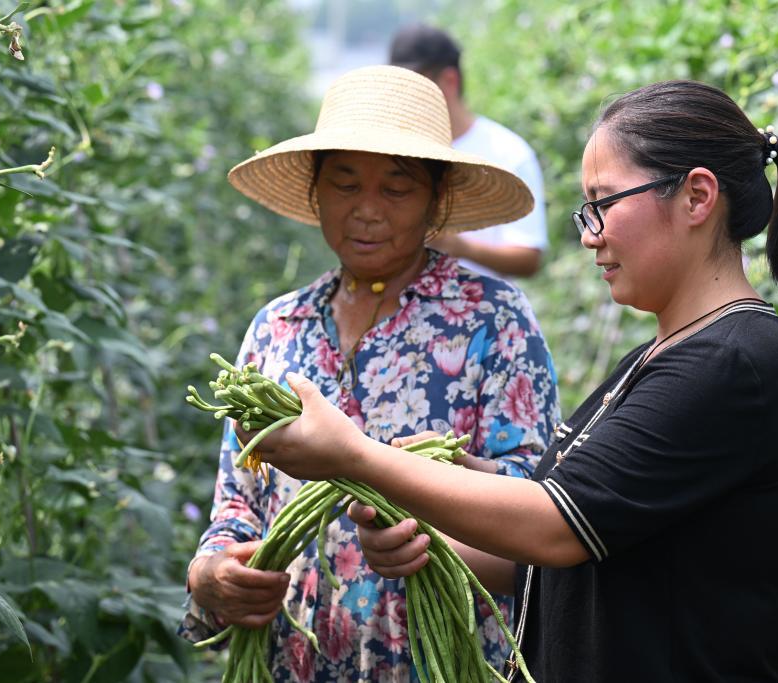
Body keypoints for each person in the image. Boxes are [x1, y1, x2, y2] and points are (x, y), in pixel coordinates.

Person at [244, 80, 778, 682]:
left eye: (603, 203)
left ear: (697, 197)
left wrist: (355, 456)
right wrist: (426, 531)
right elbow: (563, 556)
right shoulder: (655, 361)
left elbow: (552, 526)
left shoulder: (734, 367)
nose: (589, 234)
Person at [180, 65, 560, 682]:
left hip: (437, 659)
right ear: (315, 192)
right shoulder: (278, 327)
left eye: (397, 188)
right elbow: (238, 497)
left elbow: (537, 507)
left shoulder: (494, 319)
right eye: (345, 183)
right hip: (294, 657)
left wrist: (430, 537)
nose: (366, 211)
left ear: (437, 200)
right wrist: (214, 570)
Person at [389, 23, 548, 279]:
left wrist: (458, 246)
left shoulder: (507, 152)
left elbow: (528, 258)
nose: (405, 95)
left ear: (450, 81)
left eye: (416, 84)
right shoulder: (394, 148)